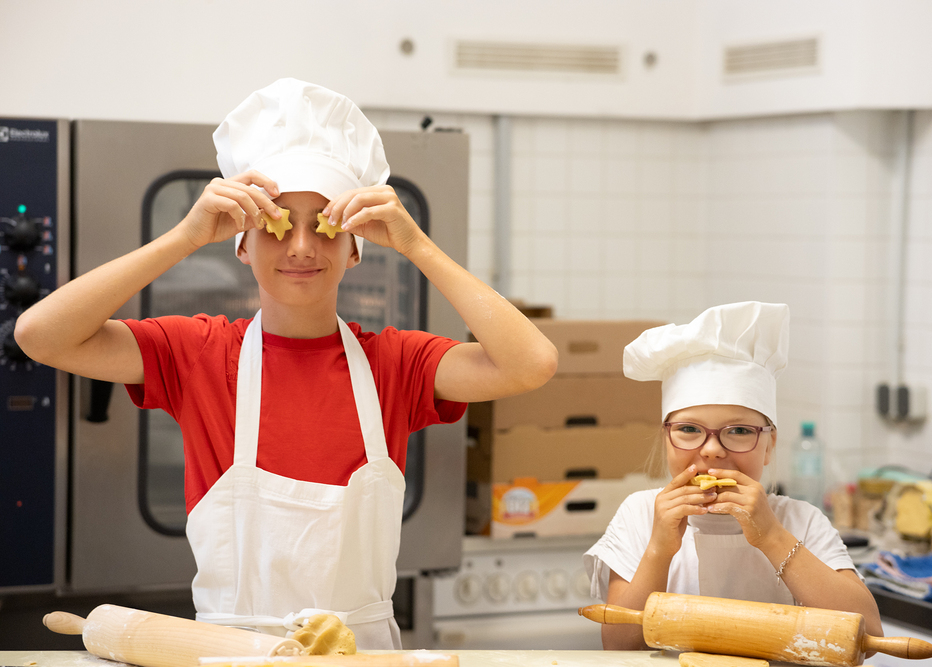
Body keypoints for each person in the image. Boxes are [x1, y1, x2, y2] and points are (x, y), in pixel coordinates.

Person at [14, 78, 558, 649]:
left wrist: (417, 245)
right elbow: (39, 336)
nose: (300, 246)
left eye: (324, 224)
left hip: (360, 657)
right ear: (242, 244)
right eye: (276, 223)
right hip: (232, 654)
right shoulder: (198, 354)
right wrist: (185, 237)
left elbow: (532, 364)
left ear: (354, 247)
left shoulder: (396, 363)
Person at [583, 301, 881, 650]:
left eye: (738, 431)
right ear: (666, 439)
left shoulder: (800, 521)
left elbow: (870, 637)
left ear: (769, 446)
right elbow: (618, 646)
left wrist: (771, 536)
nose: (712, 450)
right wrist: (659, 550)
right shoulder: (640, 514)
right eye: (689, 429)